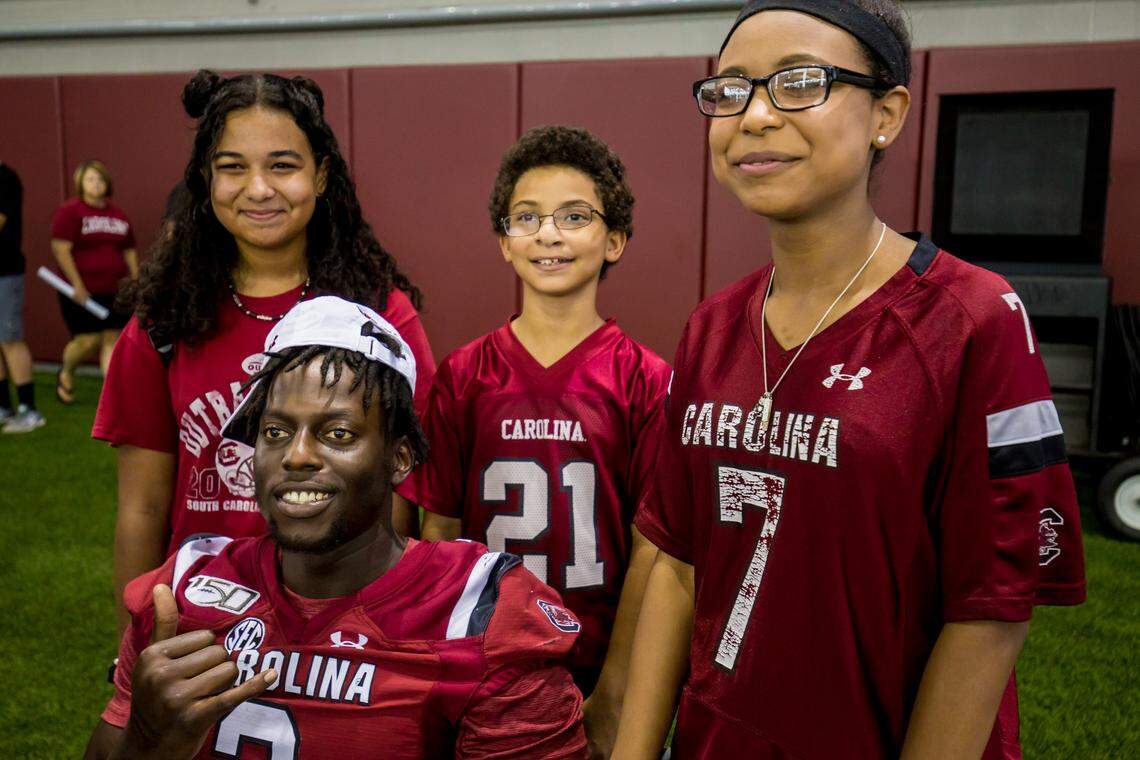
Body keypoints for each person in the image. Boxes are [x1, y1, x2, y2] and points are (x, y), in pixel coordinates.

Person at [613, 2, 1087, 758]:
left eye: (799, 83)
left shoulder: (974, 318)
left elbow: (991, 611)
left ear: (887, 114)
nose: (757, 116)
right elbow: (677, 565)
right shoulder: (711, 326)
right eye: (731, 90)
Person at [84, 296, 588, 760]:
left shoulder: (479, 619)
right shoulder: (186, 590)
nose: (297, 455)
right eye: (276, 431)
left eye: (338, 433)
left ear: (400, 457)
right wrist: (147, 742)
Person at [93, 70, 436, 636]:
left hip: (341, 628)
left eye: (282, 165)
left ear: (321, 175)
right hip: (200, 625)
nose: (257, 188)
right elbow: (141, 510)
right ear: (206, 180)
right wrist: (136, 649)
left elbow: (402, 500)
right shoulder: (162, 322)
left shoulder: (380, 317)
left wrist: (377, 625)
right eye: (232, 167)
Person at [412, 125, 670, 758]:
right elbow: (437, 532)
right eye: (526, 217)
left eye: (574, 217)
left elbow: (653, 554)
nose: (548, 234)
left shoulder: (645, 379)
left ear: (614, 239)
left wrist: (617, 689)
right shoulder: (465, 375)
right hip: (481, 664)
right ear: (504, 241)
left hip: (595, 661)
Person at [51, 159, 138, 402]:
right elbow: (61, 249)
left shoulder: (117, 214)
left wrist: (135, 278)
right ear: (80, 183)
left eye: (100, 179)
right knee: (87, 341)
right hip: (82, 292)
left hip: (115, 290)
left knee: (113, 337)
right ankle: (66, 372)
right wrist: (76, 285)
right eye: (90, 179)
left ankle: (113, 394)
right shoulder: (70, 213)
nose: (96, 184)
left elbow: (129, 248)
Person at [0, 160, 43, 432]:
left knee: (10, 339)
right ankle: (4, 407)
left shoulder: (5, 177)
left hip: (5, 271)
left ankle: (29, 410)